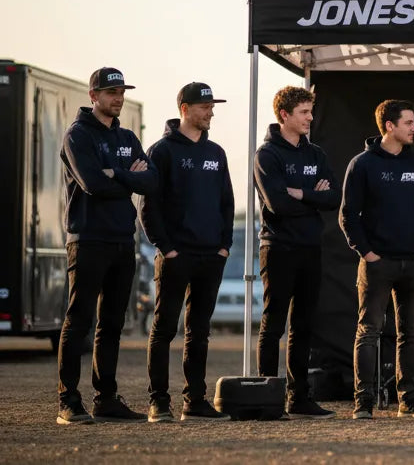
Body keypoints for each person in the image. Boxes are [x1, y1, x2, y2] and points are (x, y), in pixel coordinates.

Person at [56, 67, 157, 425]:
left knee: (112, 323)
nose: (118, 98)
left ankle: (106, 399)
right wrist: (128, 177)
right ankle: (68, 401)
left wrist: (117, 174)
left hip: (121, 240)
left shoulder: (127, 137)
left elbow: (152, 181)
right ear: (93, 96)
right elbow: (93, 184)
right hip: (87, 239)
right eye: (111, 92)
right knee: (79, 320)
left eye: (121, 92)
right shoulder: (78, 135)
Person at [140, 82, 234, 422]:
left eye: (212, 107)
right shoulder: (161, 151)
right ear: (185, 109)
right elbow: (149, 206)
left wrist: (224, 246)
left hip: (211, 257)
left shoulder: (216, 153)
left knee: (199, 331)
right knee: (164, 328)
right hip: (176, 256)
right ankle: (159, 402)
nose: (210, 113)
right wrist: (166, 248)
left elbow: (226, 203)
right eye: (204, 107)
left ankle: (194, 401)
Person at [340, 99, 414, 420]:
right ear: (389, 126)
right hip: (377, 264)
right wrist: (368, 254)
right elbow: (348, 215)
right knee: (368, 331)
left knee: (411, 333)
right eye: (409, 123)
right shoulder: (362, 164)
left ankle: (408, 401)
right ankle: (363, 403)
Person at [254, 86, 340, 418]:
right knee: (274, 323)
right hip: (278, 248)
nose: (310, 118)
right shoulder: (267, 155)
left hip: (309, 248)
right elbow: (278, 204)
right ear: (284, 115)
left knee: (303, 325)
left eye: (311, 111)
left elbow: (333, 198)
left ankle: (298, 398)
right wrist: (312, 196)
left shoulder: (315, 154)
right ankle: (266, 397)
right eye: (304, 112)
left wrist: (302, 194)